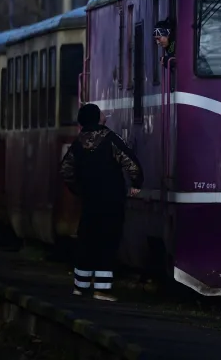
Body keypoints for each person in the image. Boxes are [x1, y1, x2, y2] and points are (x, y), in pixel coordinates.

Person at [60, 104, 144, 302]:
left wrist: (78, 189)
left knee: (86, 240)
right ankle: (101, 290)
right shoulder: (110, 139)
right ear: (98, 118)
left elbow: (66, 170)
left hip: (90, 199)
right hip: (111, 199)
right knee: (108, 241)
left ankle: (80, 286)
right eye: (102, 112)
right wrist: (136, 182)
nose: (105, 114)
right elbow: (130, 161)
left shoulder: (78, 143)